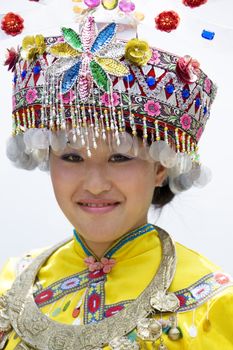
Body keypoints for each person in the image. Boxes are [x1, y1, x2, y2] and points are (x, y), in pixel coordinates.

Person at [0, 6, 233, 350]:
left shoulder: (213, 304)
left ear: (160, 166)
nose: (95, 184)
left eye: (120, 157)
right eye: (72, 157)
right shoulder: (10, 283)